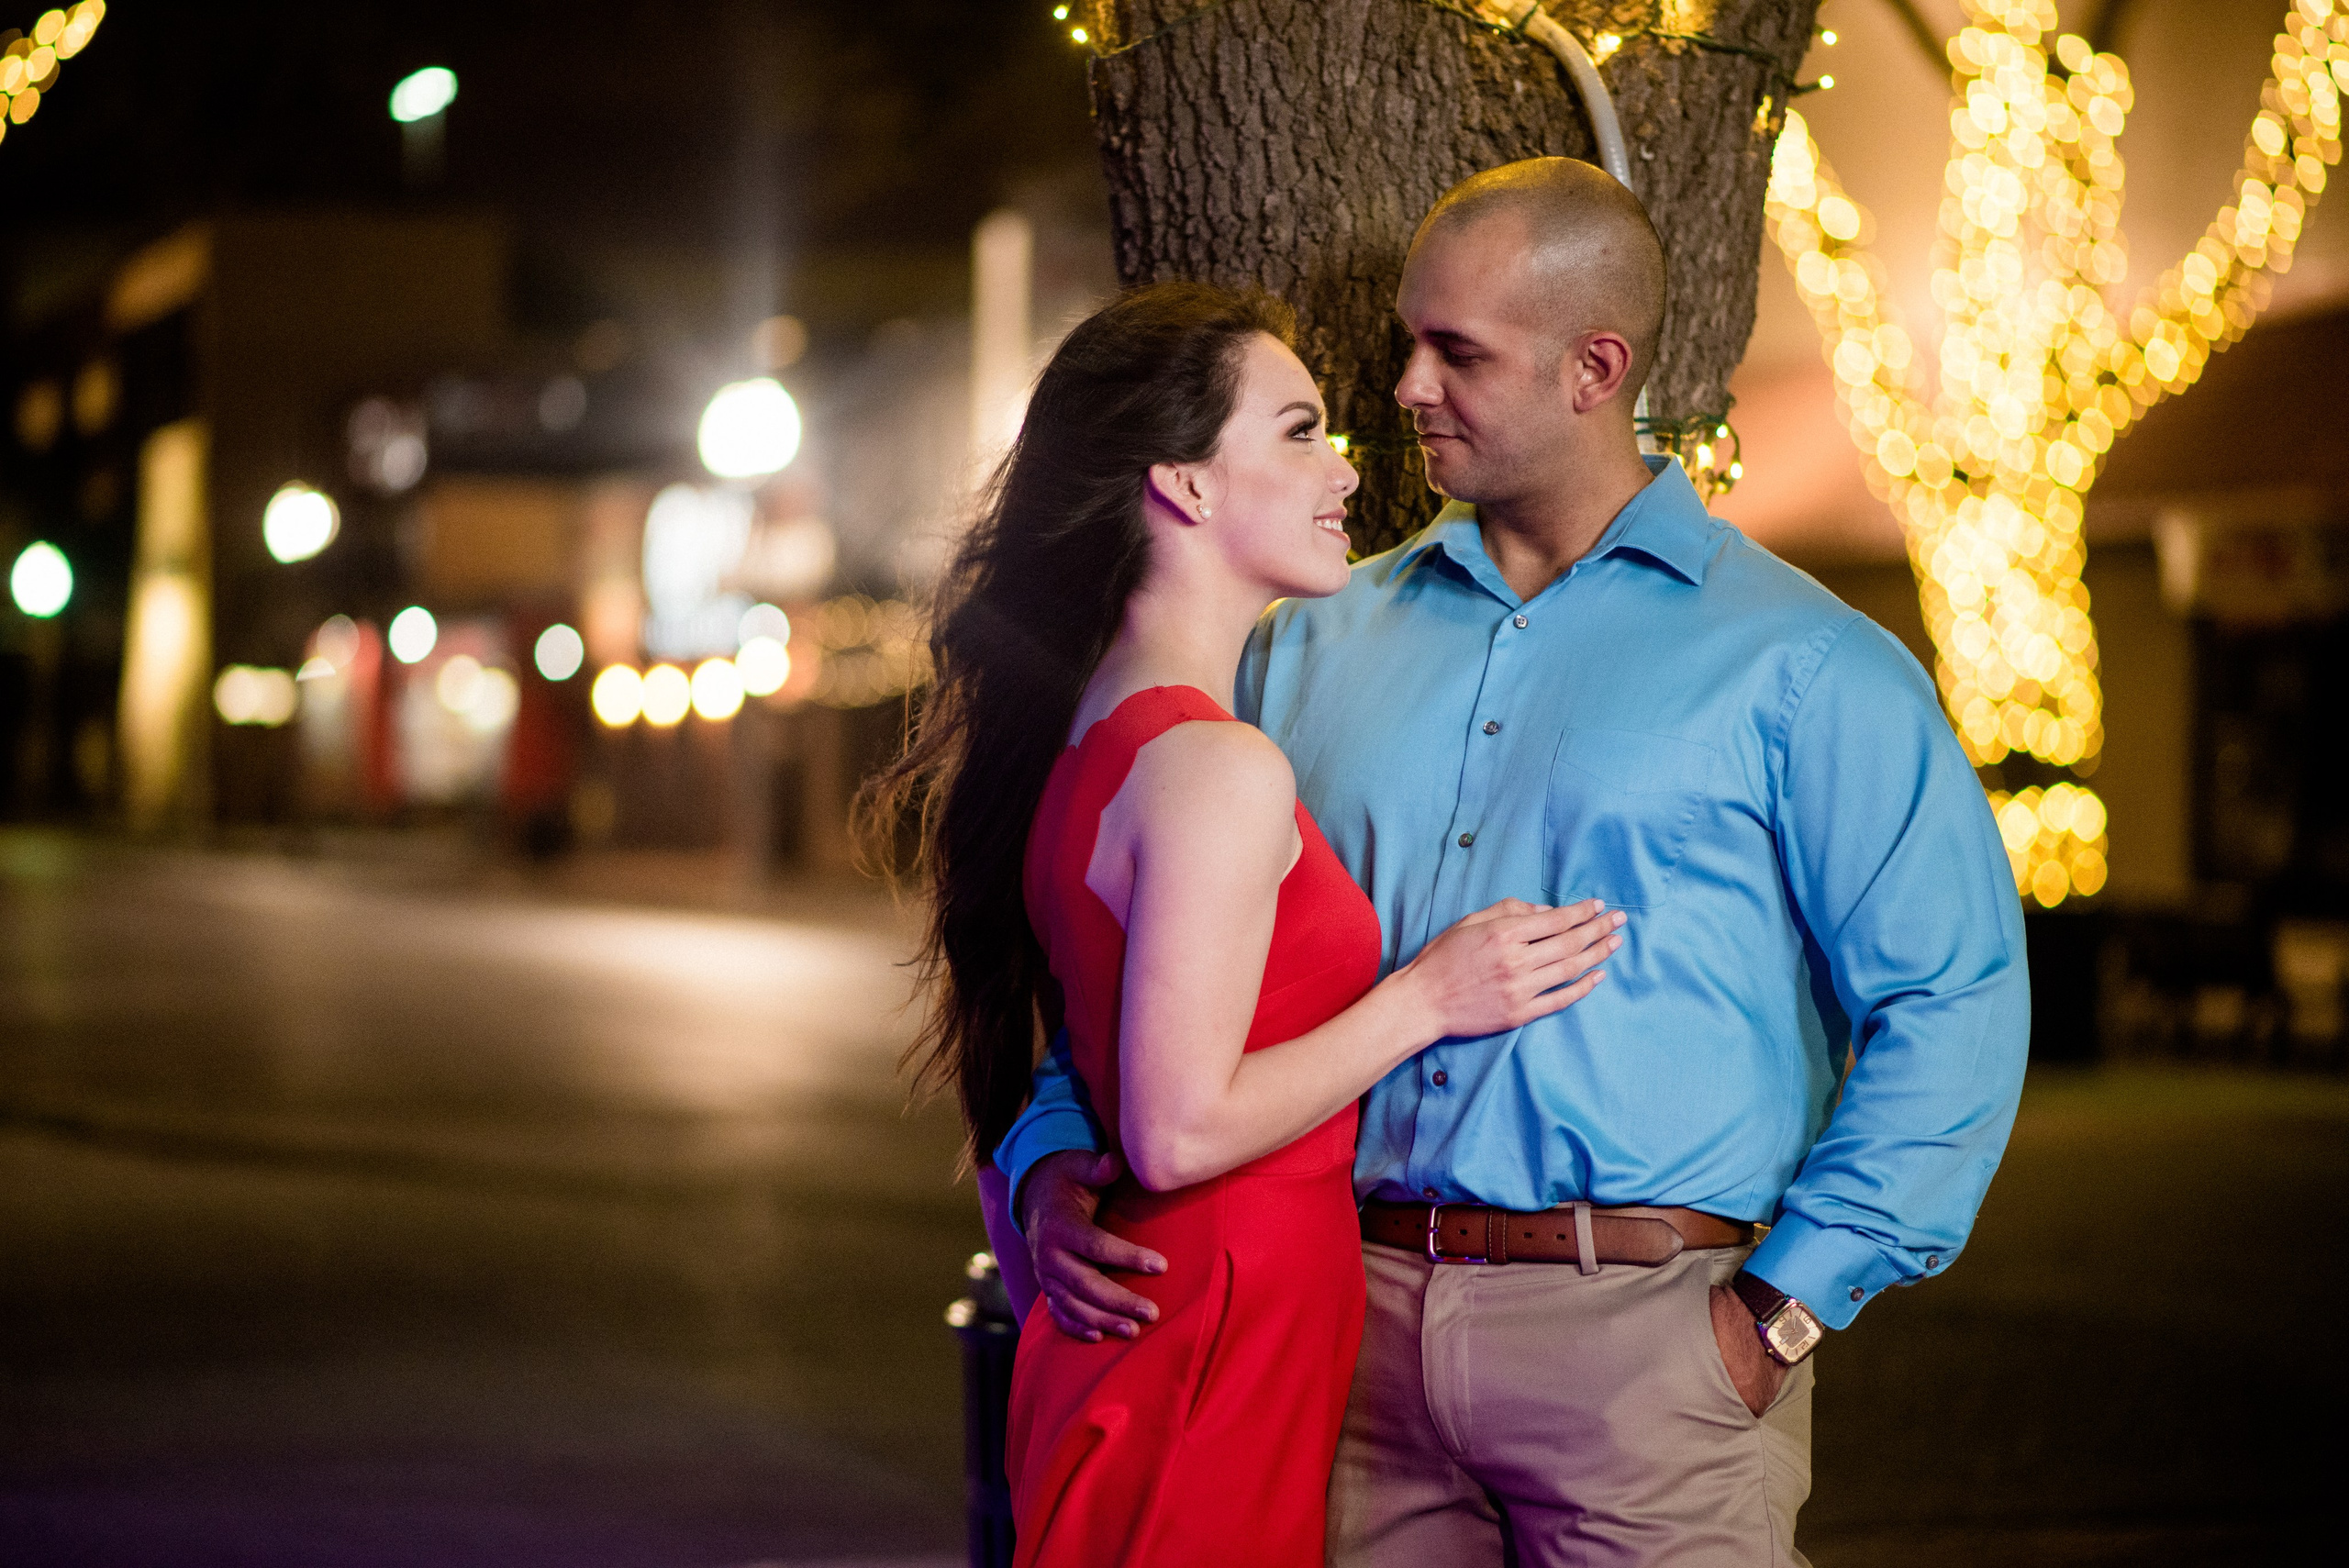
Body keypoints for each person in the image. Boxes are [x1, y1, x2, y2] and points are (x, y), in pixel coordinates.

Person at [995, 159, 2032, 1566]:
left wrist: (1777, 1314)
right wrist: (1053, 1155)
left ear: (1592, 367)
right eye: (1410, 344)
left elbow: (1953, 1008)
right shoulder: (1305, 639)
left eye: (1456, 353)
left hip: (1652, 1351)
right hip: (1339, 1339)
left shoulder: (1807, 666)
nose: (1409, 386)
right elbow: (1154, 951)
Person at [862, 282, 1622, 1568]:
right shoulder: (1214, 765)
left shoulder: (1106, 731)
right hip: (1209, 1316)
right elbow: (1176, 1124)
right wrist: (1428, 997)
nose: (1345, 466)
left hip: (1207, 1310)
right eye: (1301, 428)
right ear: (1187, 485)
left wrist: (1045, 1174)